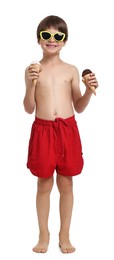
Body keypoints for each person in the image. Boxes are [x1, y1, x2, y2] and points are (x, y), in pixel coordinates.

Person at [23, 15, 98, 254]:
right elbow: (28, 108)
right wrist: (29, 85)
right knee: (43, 183)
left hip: (67, 130)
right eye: (47, 35)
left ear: (65, 41)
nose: (52, 40)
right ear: (39, 39)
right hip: (42, 131)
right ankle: (43, 234)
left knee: (66, 183)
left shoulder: (71, 70)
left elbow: (79, 106)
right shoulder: (33, 70)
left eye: (58, 36)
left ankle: (64, 234)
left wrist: (88, 90)